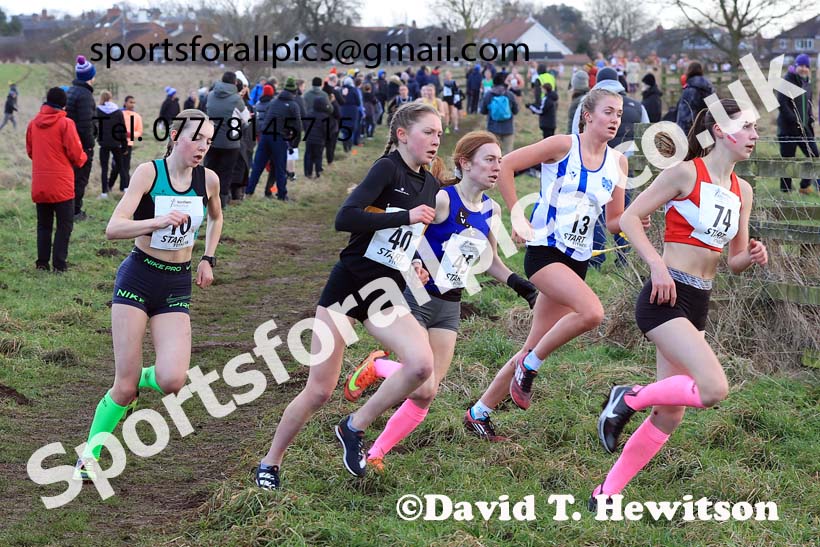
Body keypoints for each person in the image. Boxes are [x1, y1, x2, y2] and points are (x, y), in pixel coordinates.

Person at [590, 99, 767, 511]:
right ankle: (629, 396)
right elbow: (628, 218)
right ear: (720, 130)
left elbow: (734, 261)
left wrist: (752, 255)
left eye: (755, 128)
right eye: (746, 127)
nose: (754, 135)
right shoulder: (685, 173)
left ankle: (606, 494)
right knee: (713, 388)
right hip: (664, 297)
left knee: (669, 415)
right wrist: (656, 266)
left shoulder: (743, 191)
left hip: (699, 300)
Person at [254, 102, 442, 489]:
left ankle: (354, 426)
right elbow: (346, 217)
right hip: (348, 288)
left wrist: (413, 264)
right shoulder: (387, 168)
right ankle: (269, 463)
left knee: (422, 366)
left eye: (439, 134)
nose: (436, 140)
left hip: (385, 294)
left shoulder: (429, 185)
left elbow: (400, 241)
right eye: (428, 132)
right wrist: (403, 216)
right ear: (403, 134)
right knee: (319, 391)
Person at [342, 131, 538, 471]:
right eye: (489, 160)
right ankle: (375, 373)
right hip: (415, 298)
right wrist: (415, 263)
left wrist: (521, 286)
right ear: (466, 164)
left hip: (449, 306)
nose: (497, 167)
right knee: (420, 377)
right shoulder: (444, 199)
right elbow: (405, 234)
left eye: (500, 160)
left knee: (427, 392)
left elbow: (488, 260)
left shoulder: (490, 210)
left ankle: (376, 453)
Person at [463, 88, 637, 440]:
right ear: (588, 115)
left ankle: (478, 413)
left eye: (619, 114)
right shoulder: (562, 146)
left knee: (533, 342)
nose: (615, 119)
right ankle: (531, 367)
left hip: (578, 260)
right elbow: (507, 165)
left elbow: (614, 220)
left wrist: (636, 219)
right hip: (544, 251)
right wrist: (517, 215)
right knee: (593, 313)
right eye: (608, 112)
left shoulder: (618, 162)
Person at [73, 109, 223, 481]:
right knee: (123, 388)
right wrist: (156, 221)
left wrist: (207, 257)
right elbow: (113, 228)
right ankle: (89, 457)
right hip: (138, 277)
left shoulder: (209, 180)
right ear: (174, 135)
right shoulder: (149, 173)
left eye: (208, 140)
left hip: (176, 282)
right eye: (196, 138)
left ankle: (140, 377)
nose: (202, 147)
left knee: (173, 380)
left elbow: (216, 217)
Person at [26, 87, 87, 272]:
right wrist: (83, 158)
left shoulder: (33, 123)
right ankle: (59, 265)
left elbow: (30, 151)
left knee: (43, 225)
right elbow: (76, 153)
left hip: (40, 184)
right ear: (63, 104)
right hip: (62, 185)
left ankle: (42, 263)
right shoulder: (66, 123)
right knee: (64, 225)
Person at [245, 77, 302, 201]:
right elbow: (298, 127)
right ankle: (282, 195)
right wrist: (294, 144)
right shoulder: (293, 105)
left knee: (258, 166)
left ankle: (248, 191)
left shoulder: (273, 102)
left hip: (265, 135)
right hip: (279, 137)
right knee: (280, 167)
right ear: (294, 92)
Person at [776, 53, 818, 194]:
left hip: (804, 129)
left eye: (806, 66)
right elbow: (782, 105)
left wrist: (810, 119)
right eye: (801, 65)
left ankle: (804, 186)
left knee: (815, 155)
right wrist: (795, 120)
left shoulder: (806, 82)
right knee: (788, 161)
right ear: (795, 66)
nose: (804, 68)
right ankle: (785, 191)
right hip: (788, 129)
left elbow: (808, 104)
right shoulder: (786, 81)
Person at [206, 72, 249, 208]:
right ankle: (222, 201)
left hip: (211, 140)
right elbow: (246, 117)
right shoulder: (236, 99)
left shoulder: (210, 95)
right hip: (230, 143)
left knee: (210, 170)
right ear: (235, 82)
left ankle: (206, 199)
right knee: (226, 173)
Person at [66, 55, 97, 221]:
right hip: (81, 145)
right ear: (90, 76)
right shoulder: (85, 95)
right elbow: (86, 124)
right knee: (80, 179)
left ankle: (69, 210)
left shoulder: (71, 91)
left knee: (71, 178)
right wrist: (90, 145)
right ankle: (75, 212)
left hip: (69, 143)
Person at [95, 90, 127, 199]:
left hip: (103, 143)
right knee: (121, 166)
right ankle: (125, 188)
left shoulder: (98, 111)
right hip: (116, 142)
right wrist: (124, 145)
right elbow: (122, 129)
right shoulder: (118, 112)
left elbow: (94, 127)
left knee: (104, 169)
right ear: (111, 97)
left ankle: (104, 192)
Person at [479, 72, 519, 155]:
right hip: (508, 128)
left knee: (494, 154)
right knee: (508, 154)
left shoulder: (488, 94)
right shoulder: (509, 94)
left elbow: (483, 111)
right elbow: (516, 111)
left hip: (492, 128)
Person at [109, 95, 143, 192]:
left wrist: (130, 134)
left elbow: (139, 131)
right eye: (130, 102)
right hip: (118, 143)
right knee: (116, 167)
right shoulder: (119, 114)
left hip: (128, 144)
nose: (132, 104)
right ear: (125, 103)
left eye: (133, 102)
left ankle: (124, 187)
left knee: (126, 166)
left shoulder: (137, 116)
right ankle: (109, 185)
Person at [675, 61, 713, 137]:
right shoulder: (709, 87)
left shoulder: (689, 89)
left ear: (689, 71)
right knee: (706, 144)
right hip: (706, 126)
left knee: (691, 145)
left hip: (691, 128)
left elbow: (685, 113)